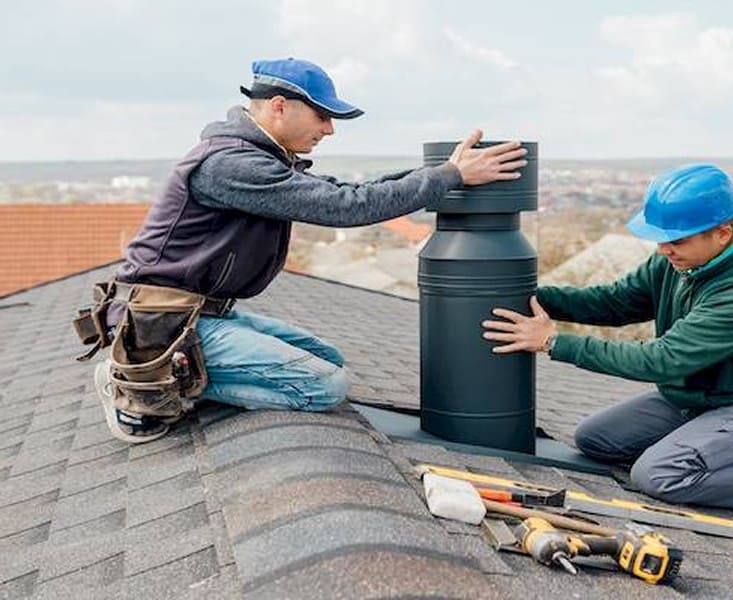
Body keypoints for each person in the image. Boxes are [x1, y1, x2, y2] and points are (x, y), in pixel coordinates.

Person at [87, 57, 527, 445]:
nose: (329, 129)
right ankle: (144, 383)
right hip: (162, 321)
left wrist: (443, 171)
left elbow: (346, 190)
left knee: (328, 360)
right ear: (280, 106)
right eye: (322, 116)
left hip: (202, 313)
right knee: (323, 386)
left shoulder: (260, 157)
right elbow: (346, 207)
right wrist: (450, 176)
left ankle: (175, 373)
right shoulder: (230, 164)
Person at [482, 163, 733, 528]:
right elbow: (616, 302)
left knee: (660, 474)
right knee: (596, 439)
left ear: (723, 233)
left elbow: (662, 361)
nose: (664, 249)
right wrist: (532, 297)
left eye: (676, 240)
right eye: (660, 238)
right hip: (704, 397)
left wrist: (553, 342)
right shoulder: (681, 260)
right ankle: (716, 450)